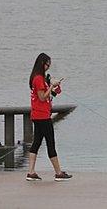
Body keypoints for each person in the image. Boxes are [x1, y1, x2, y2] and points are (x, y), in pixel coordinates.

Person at [25, 53, 72, 182]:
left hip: (38, 114)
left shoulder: (38, 78)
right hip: (42, 116)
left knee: (37, 142)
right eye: (47, 64)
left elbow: (46, 95)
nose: (48, 67)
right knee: (50, 142)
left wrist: (53, 90)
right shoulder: (38, 78)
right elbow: (41, 97)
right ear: (42, 64)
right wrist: (51, 85)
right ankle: (58, 173)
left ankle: (31, 172)